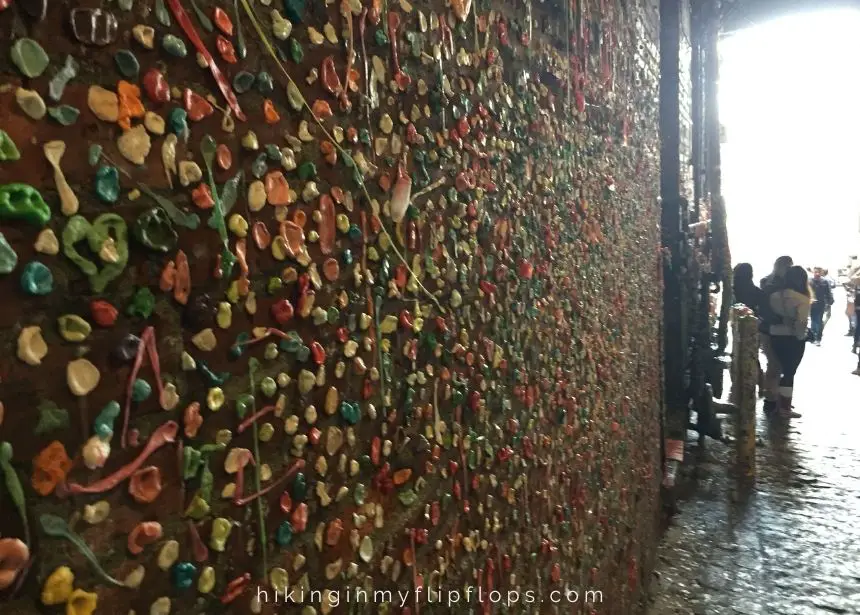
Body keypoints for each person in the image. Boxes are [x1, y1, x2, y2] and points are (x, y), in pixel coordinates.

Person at [768, 265, 811, 419]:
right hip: (792, 339)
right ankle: (784, 408)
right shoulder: (802, 299)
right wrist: (802, 337)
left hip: (775, 335)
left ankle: (777, 402)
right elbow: (801, 323)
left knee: (778, 368)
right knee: (789, 372)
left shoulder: (774, 296)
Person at [759, 256, 793, 414]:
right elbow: (766, 309)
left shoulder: (768, 282)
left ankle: (773, 398)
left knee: (774, 365)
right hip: (773, 329)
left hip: (771, 328)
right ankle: (771, 399)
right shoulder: (774, 285)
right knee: (775, 364)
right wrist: (781, 319)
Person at [809, 268, 834, 345]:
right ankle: (813, 336)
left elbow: (828, 292)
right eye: (816, 272)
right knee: (813, 320)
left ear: (821, 273)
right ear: (813, 272)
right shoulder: (810, 281)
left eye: (819, 272)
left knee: (819, 321)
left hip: (821, 304)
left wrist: (830, 300)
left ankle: (818, 338)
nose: (817, 273)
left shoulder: (824, 282)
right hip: (811, 304)